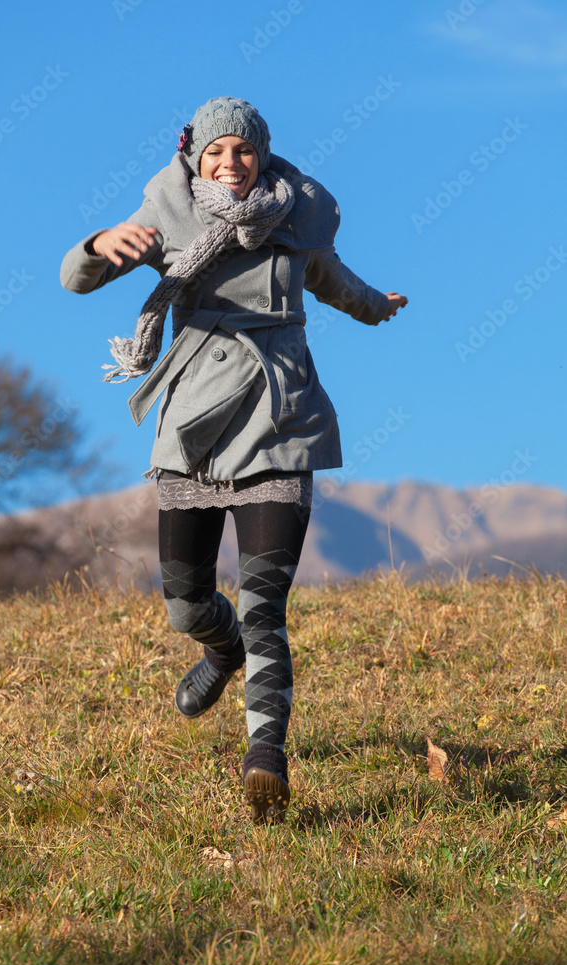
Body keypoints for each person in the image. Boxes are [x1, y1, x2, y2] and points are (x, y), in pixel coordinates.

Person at [60, 96, 407, 825]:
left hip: (281, 419)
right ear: (195, 156)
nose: (231, 161)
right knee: (187, 605)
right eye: (217, 150)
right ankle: (219, 656)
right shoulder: (164, 217)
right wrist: (98, 243)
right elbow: (74, 279)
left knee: (263, 607)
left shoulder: (297, 218)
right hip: (193, 424)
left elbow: (337, 283)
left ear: (263, 154)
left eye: (243, 150)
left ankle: (265, 761)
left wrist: (378, 306)